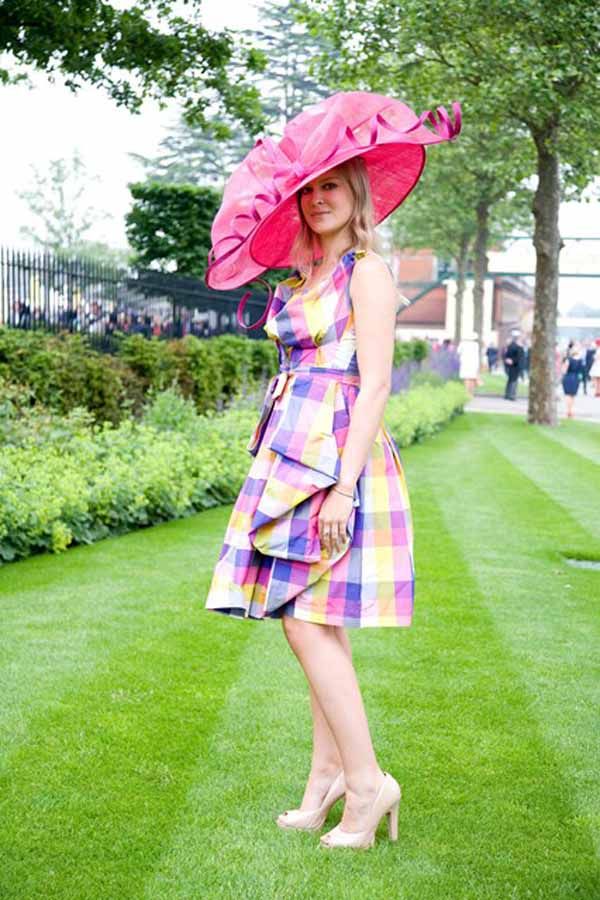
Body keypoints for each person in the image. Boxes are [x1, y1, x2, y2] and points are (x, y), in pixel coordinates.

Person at [202, 91, 461, 850]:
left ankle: (367, 785)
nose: (317, 200)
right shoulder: (303, 280)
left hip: (336, 460)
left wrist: (343, 487)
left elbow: (375, 383)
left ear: (358, 197)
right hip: (291, 449)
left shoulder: (366, 274)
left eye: (332, 188)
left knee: (305, 622)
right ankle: (326, 782)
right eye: (307, 190)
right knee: (314, 625)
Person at [561, 341, 585, 418]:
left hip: (568, 377)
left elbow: (564, 370)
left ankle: (568, 411)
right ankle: (571, 411)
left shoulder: (569, 360)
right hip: (576, 378)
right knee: (573, 396)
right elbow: (582, 371)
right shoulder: (580, 360)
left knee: (568, 395)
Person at [457, 330, 480, 396]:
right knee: (472, 379)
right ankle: (471, 393)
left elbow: (458, 352)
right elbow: (476, 356)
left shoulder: (463, 344)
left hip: (465, 363)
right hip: (473, 363)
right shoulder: (475, 344)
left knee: (466, 379)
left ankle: (466, 393)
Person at [503, 330, 524, 401]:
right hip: (515, 366)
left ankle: (508, 394)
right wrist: (509, 360)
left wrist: (508, 360)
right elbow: (519, 357)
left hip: (512, 365)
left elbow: (506, 355)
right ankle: (511, 395)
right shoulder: (517, 346)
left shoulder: (511, 345)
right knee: (513, 381)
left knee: (511, 380)